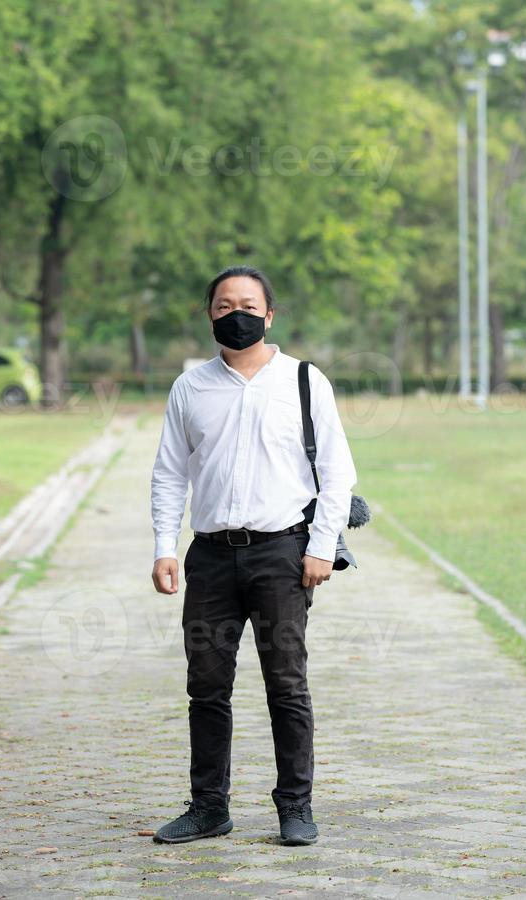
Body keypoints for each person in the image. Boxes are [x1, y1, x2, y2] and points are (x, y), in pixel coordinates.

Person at [150, 265, 358, 846]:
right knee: (206, 687)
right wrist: (165, 547)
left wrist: (319, 546)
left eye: (246, 304)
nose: (234, 313)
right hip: (210, 559)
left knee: (285, 685)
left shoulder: (304, 381)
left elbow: (337, 473)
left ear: (269, 314)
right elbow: (169, 474)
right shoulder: (189, 388)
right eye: (223, 305)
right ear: (209, 314)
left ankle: (295, 805)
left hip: (283, 555)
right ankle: (209, 806)